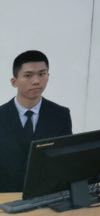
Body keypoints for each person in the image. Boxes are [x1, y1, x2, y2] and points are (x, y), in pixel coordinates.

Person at [0, 50, 72, 192]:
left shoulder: (61, 115)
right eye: (28, 75)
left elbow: (65, 160)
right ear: (14, 82)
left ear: (48, 76)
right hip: (5, 197)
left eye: (42, 74)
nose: (36, 81)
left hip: (48, 196)